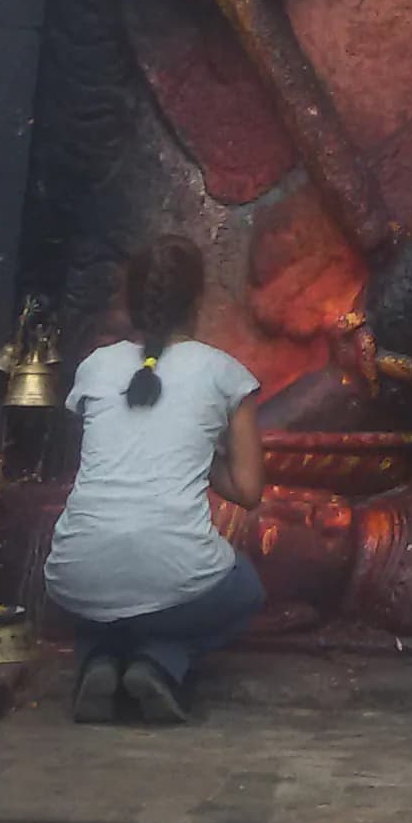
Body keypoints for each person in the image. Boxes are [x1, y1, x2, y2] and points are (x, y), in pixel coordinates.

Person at [43, 236, 265, 724]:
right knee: (246, 588)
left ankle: (98, 658)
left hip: (73, 573)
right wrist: (202, 450)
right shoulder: (227, 373)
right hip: (173, 574)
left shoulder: (96, 366)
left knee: (112, 587)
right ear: (199, 300)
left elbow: (114, 454)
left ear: (130, 301)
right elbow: (249, 491)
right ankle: (161, 662)